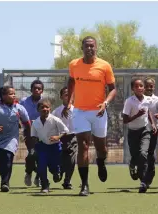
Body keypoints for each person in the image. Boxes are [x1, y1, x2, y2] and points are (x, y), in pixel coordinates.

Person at [61, 36, 117, 196]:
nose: (89, 49)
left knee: (102, 148)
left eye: (92, 46)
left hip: (99, 112)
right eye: (86, 46)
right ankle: (84, 185)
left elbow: (113, 89)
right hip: (80, 111)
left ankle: (100, 162)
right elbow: (71, 82)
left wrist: (105, 103)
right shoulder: (74, 64)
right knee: (83, 145)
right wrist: (69, 102)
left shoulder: (104, 66)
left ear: (96, 47)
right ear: (82, 48)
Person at [0, 86, 31, 192]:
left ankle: (5, 182)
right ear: (3, 96)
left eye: (14, 93)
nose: (13, 95)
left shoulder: (19, 108)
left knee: (8, 156)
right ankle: (4, 179)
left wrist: (29, 134)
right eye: (10, 94)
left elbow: (27, 123)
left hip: (11, 137)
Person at [122, 78, 157, 193]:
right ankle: (132, 165)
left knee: (143, 153)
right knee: (136, 157)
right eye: (136, 86)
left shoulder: (148, 99)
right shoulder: (129, 101)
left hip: (145, 130)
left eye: (141, 86)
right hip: (133, 132)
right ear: (133, 89)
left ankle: (144, 181)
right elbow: (125, 120)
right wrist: (137, 115)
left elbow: (148, 112)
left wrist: (152, 124)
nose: (139, 88)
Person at [31, 99, 69, 193]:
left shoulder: (55, 119)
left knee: (54, 167)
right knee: (41, 165)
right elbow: (33, 136)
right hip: (43, 147)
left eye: (47, 107)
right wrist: (34, 147)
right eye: (42, 107)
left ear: (50, 108)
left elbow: (66, 131)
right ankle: (45, 185)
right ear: (38, 109)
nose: (45, 109)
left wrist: (58, 136)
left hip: (55, 147)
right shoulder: (35, 122)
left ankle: (57, 172)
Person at [52, 87, 78, 190]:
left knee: (71, 160)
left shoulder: (77, 110)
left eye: (70, 94)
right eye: (66, 94)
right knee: (61, 158)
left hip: (73, 137)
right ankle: (59, 172)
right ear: (61, 96)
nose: (68, 96)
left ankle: (67, 181)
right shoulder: (56, 112)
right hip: (60, 138)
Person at [20, 79, 44, 187]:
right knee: (32, 154)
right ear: (31, 90)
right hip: (29, 131)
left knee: (41, 155)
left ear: (42, 90)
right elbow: (18, 113)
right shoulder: (24, 101)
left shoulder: (45, 101)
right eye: (35, 88)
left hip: (43, 131)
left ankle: (38, 177)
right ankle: (29, 172)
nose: (37, 90)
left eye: (39, 88)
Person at [143, 77, 158, 187]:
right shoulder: (137, 98)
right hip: (139, 129)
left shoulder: (157, 100)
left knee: (150, 153)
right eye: (146, 86)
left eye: (151, 86)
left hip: (153, 129)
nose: (149, 88)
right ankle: (138, 170)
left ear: (154, 87)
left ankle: (149, 176)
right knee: (140, 153)